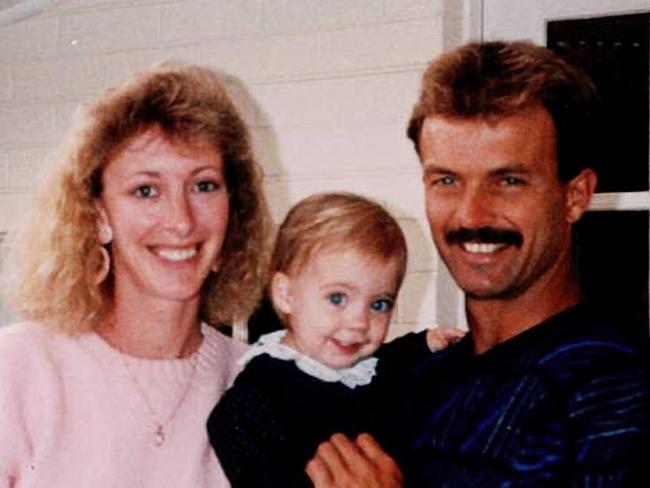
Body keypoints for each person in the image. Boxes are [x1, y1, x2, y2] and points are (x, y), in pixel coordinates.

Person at [307, 40, 650, 487]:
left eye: (508, 181)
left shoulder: (614, 391)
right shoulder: (416, 380)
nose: (471, 215)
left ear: (575, 195)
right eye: (447, 180)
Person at [0, 61, 270, 487]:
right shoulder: (22, 368)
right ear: (99, 215)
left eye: (203, 185)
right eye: (146, 190)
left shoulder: (256, 381)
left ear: (233, 210)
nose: (180, 221)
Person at [207, 192, 464, 487]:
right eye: (337, 298)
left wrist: (425, 343)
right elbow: (229, 429)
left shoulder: (361, 365)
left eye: (379, 304)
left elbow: (390, 362)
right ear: (286, 295)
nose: (358, 322)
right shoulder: (262, 392)